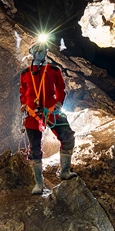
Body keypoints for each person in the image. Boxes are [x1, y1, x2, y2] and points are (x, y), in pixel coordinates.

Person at [20, 40, 76, 194]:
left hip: (51, 112)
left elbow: (60, 88)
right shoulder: (25, 74)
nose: (43, 53)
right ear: (33, 53)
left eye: (44, 50)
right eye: (39, 50)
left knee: (68, 137)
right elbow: (23, 92)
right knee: (35, 149)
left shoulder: (52, 70)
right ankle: (39, 184)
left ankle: (64, 172)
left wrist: (59, 103)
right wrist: (24, 104)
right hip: (33, 114)